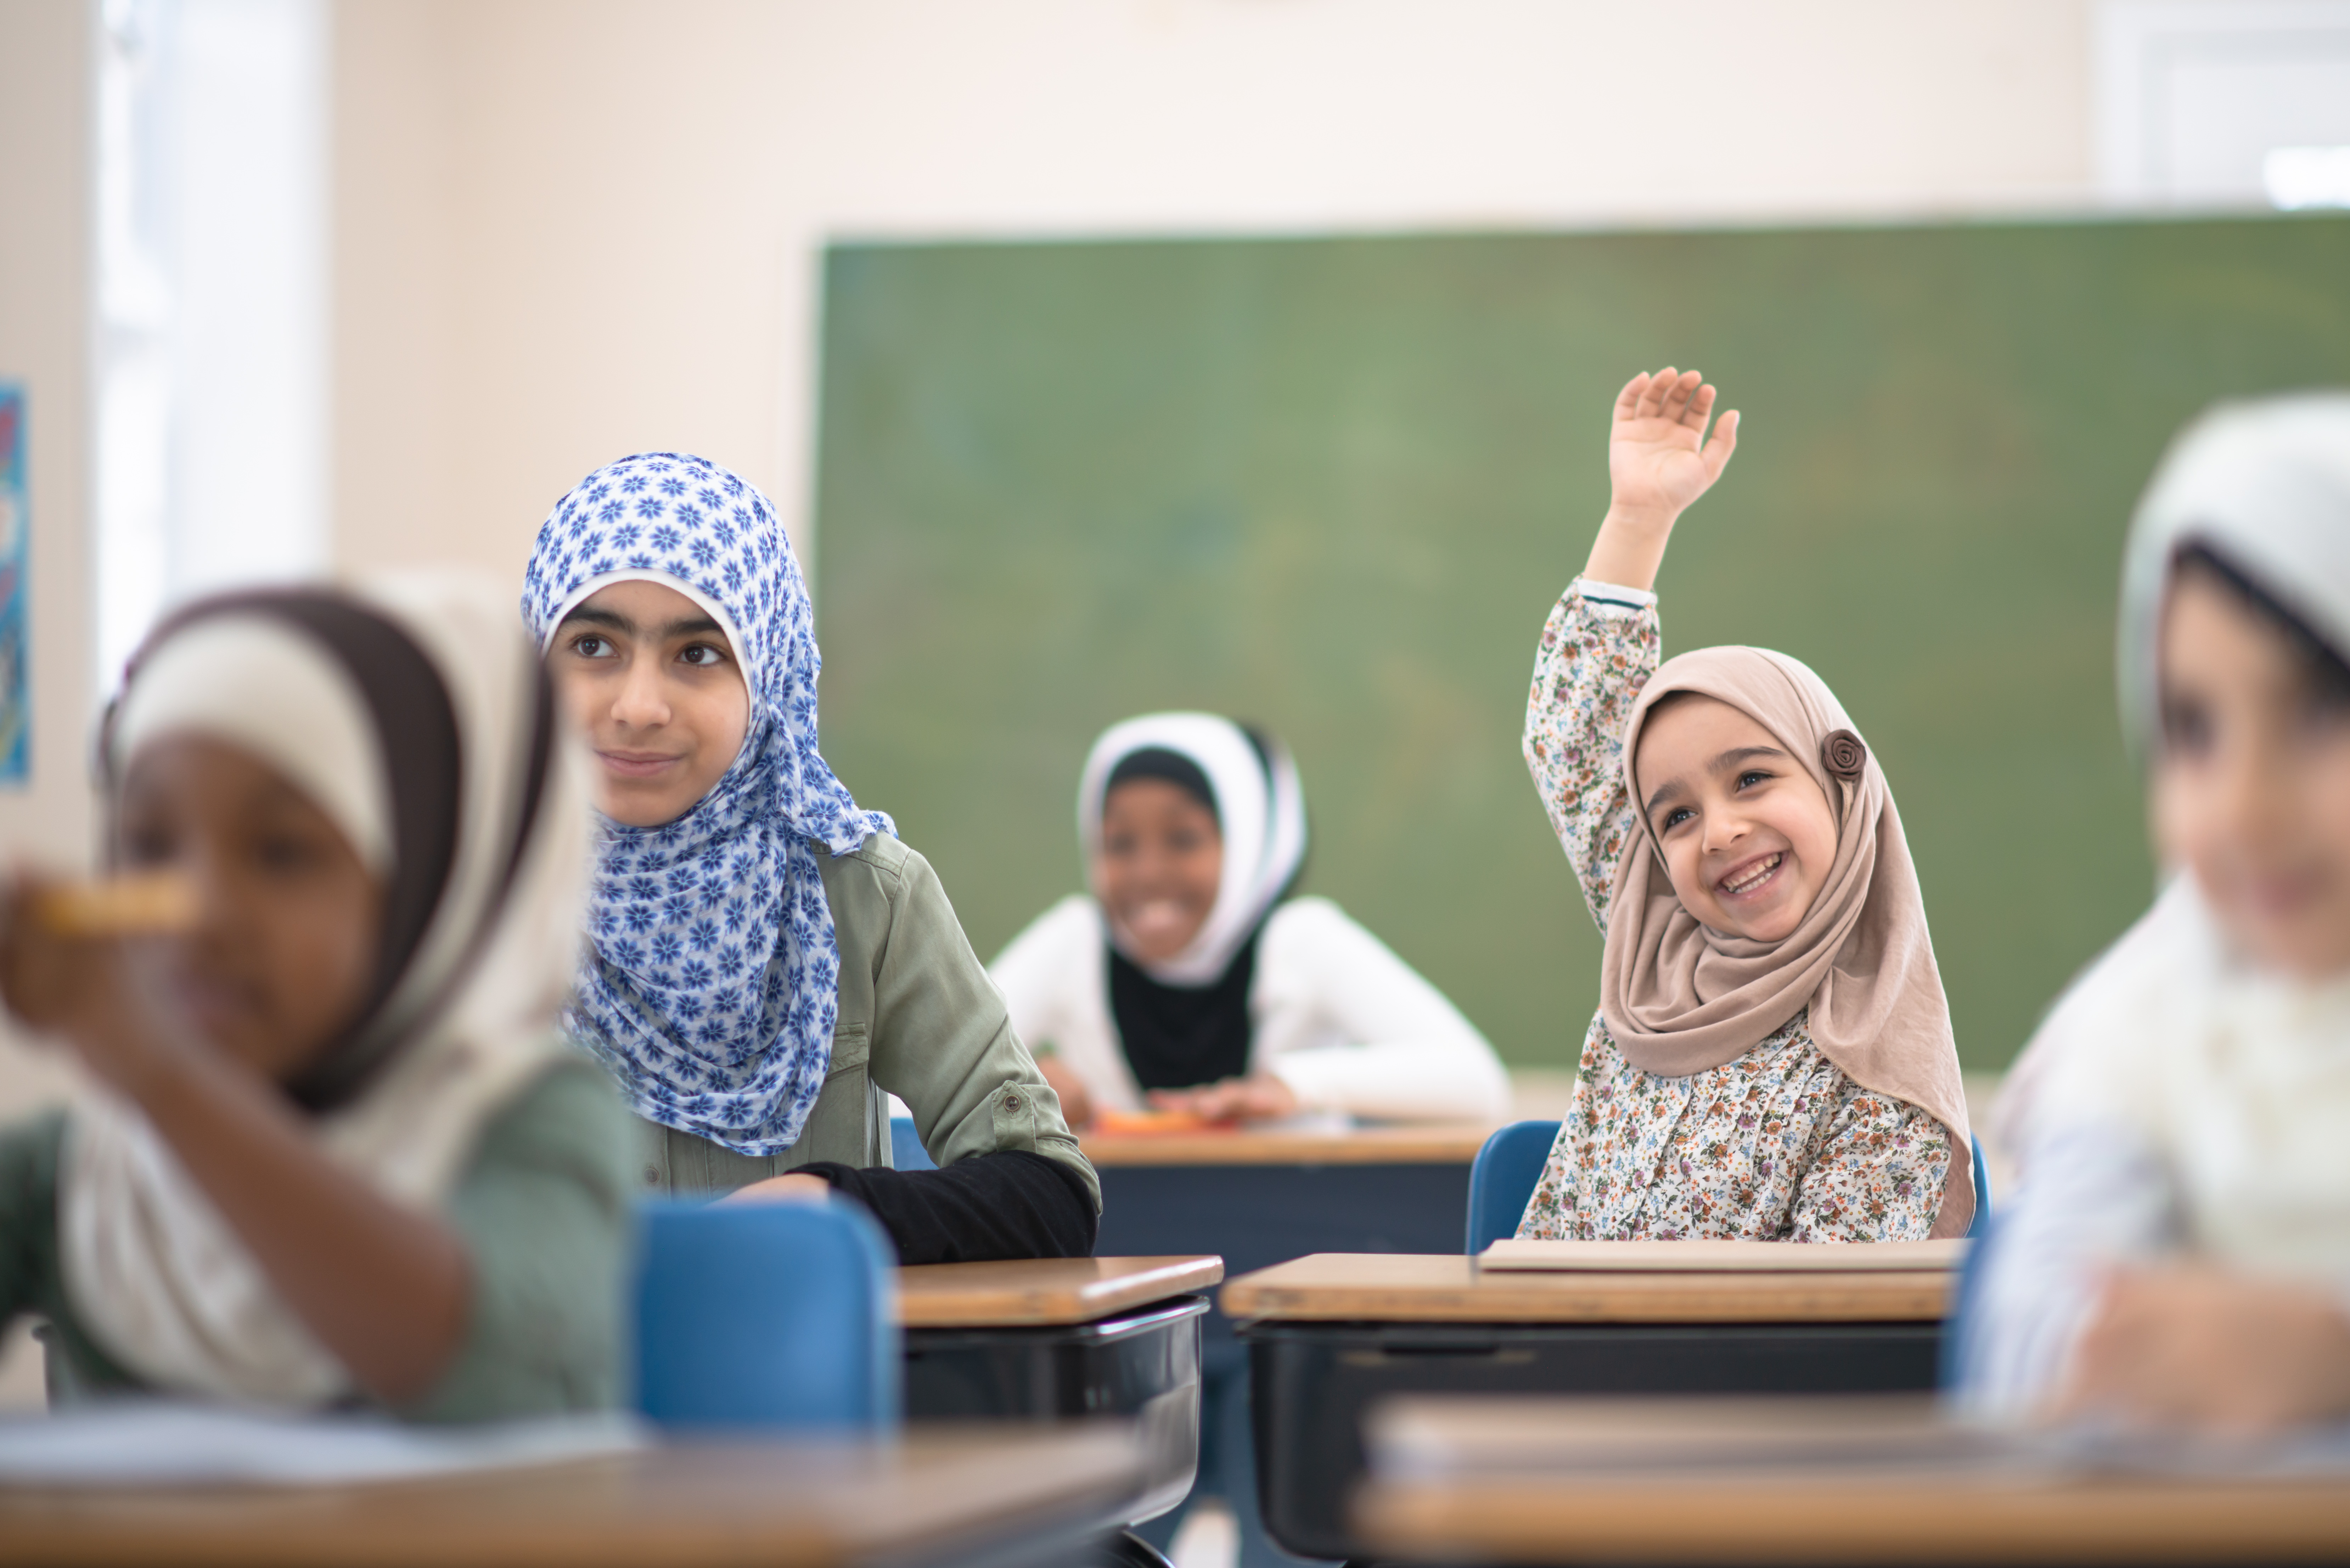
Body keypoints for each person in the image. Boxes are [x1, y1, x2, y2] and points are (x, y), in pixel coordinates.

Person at [0, 577, 630, 1419]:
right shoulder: (80, 1175)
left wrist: (159, 1071)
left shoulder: (529, 1117)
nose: (200, 914)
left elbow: (477, 1363)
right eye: (149, 846)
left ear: (427, 890)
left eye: (281, 853)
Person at [521, 451, 1096, 1264]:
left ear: (769, 672)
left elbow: (1050, 1196)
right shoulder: (477, 908)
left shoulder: (860, 894)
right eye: (592, 645)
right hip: (551, 1387)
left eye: (697, 654)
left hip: (804, 1386)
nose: (639, 706)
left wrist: (833, 1201)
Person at [1958, 394, 2350, 1432]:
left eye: (2321, 711)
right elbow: (2036, 1350)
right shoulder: (2142, 1024)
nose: (2246, 806)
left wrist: (2330, 1359)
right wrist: (2119, 1352)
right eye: (2194, 729)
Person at [1516, 367, 1973, 1243]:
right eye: (1674, 817)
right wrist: (1636, 519)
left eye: (1754, 777)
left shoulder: (1878, 1056)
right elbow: (1574, 740)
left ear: (1842, 787)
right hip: (1552, 1360)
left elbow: (1822, 1329)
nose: (1718, 830)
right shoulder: (1656, 955)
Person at [989, 712, 1509, 1129]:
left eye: (1183, 838)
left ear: (1248, 845)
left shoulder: (1301, 942)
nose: (1147, 873)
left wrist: (1294, 1087)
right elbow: (921, 1079)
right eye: (1120, 843)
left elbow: (1478, 1082)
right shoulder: (1074, 942)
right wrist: (1023, 1089)